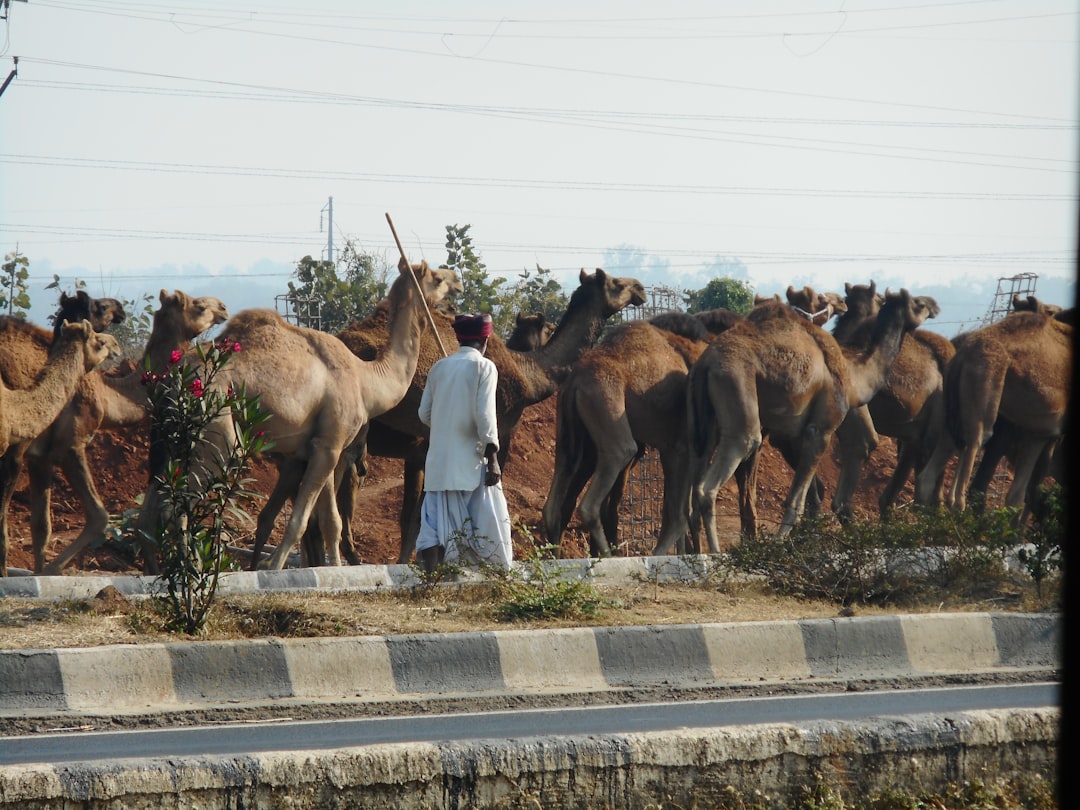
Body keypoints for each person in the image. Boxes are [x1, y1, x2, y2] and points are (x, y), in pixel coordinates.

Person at [416, 313, 513, 573]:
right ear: (486, 338)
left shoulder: (439, 367)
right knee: (488, 526)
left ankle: (433, 583)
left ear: (459, 338)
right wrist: (492, 459)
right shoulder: (485, 367)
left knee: (435, 527)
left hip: (438, 465)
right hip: (472, 465)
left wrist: (446, 424)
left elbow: (424, 415)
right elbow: (485, 416)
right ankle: (492, 579)